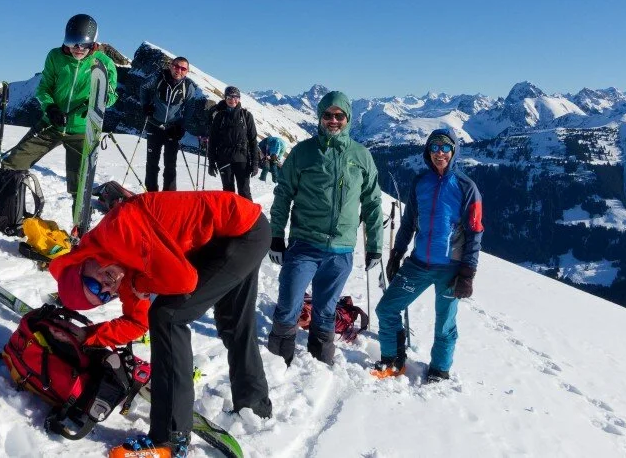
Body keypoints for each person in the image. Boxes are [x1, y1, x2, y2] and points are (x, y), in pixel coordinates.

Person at [49, 191, 273, 457]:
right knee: (234, 321)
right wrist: (88, 335)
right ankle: (254, 406)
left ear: (81, 263)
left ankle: (169, 438)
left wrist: (140, 284)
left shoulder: (117, 233)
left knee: (168, 316)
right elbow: (137, 321)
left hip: (240, 231)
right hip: (241, 231)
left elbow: (184, 281)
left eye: (94, 283)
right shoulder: (120, 267)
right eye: (102, 296)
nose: (107, 287)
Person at [266, 91, 383, 366]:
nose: (333, 120)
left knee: (326, 310)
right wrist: (275, 235)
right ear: (319, 117)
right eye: (327, 115)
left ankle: (320, 364)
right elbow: (284, 194)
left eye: (339, 115)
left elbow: (373, 203)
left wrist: (376, 246)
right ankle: (276, 364)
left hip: (341, 249)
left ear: (348, 119)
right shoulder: (303, 152)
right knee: (289, 304)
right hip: (304, 243)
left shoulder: (361, 156)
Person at [371, 127, 484, 383]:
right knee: (387, 308)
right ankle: (392, 358)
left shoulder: (467, 187)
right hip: (419, 263)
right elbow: (409, 221)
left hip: (451, 268)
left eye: (445, 147)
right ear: (427, 152)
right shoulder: (420, 182)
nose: (439, 153)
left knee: (444, 324)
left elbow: (475, 231)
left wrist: (468, 272)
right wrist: (397, 252)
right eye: (434, 147)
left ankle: (439, 370)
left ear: (454, 151)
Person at [2, 14, 118, 219]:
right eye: (72, 43)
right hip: (51, 125)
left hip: (82, 131)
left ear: (93, 43)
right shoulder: (55, 56)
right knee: (13, 163)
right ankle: (1, 209)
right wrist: (50, 108)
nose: (77, 49)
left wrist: (96, 105)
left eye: (83, 44)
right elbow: (44, 88)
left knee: (80, 183)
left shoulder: (104, 63)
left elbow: (111, 96)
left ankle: (79, 224)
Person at [140, 57, 200, 192]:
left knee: (170, 164)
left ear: (187, 71)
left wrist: (181, 127)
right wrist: (145, 106)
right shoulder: (158, 78)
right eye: (176, 66)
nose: (178, 70)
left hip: (172, 130)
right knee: (152, 163)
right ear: (170, 66)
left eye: (183, 68)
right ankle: (151, 193)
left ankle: (169, 195)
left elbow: (190, 108)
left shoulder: (188, 86)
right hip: (154, 125)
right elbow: (143, 87)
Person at [206, 86, 258, 201]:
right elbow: (213, 140)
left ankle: (249, 218)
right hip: (224, 159)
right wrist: (211, 162)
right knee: (228, 193)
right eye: (229, 97)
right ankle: (230, 218)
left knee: (244, 192)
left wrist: (255, 162)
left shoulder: (246, 116)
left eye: (235, 97)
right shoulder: (219, 116)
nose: (232, 100)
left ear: (239, 98)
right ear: (225, 98)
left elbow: (253, 140)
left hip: (242, 159)